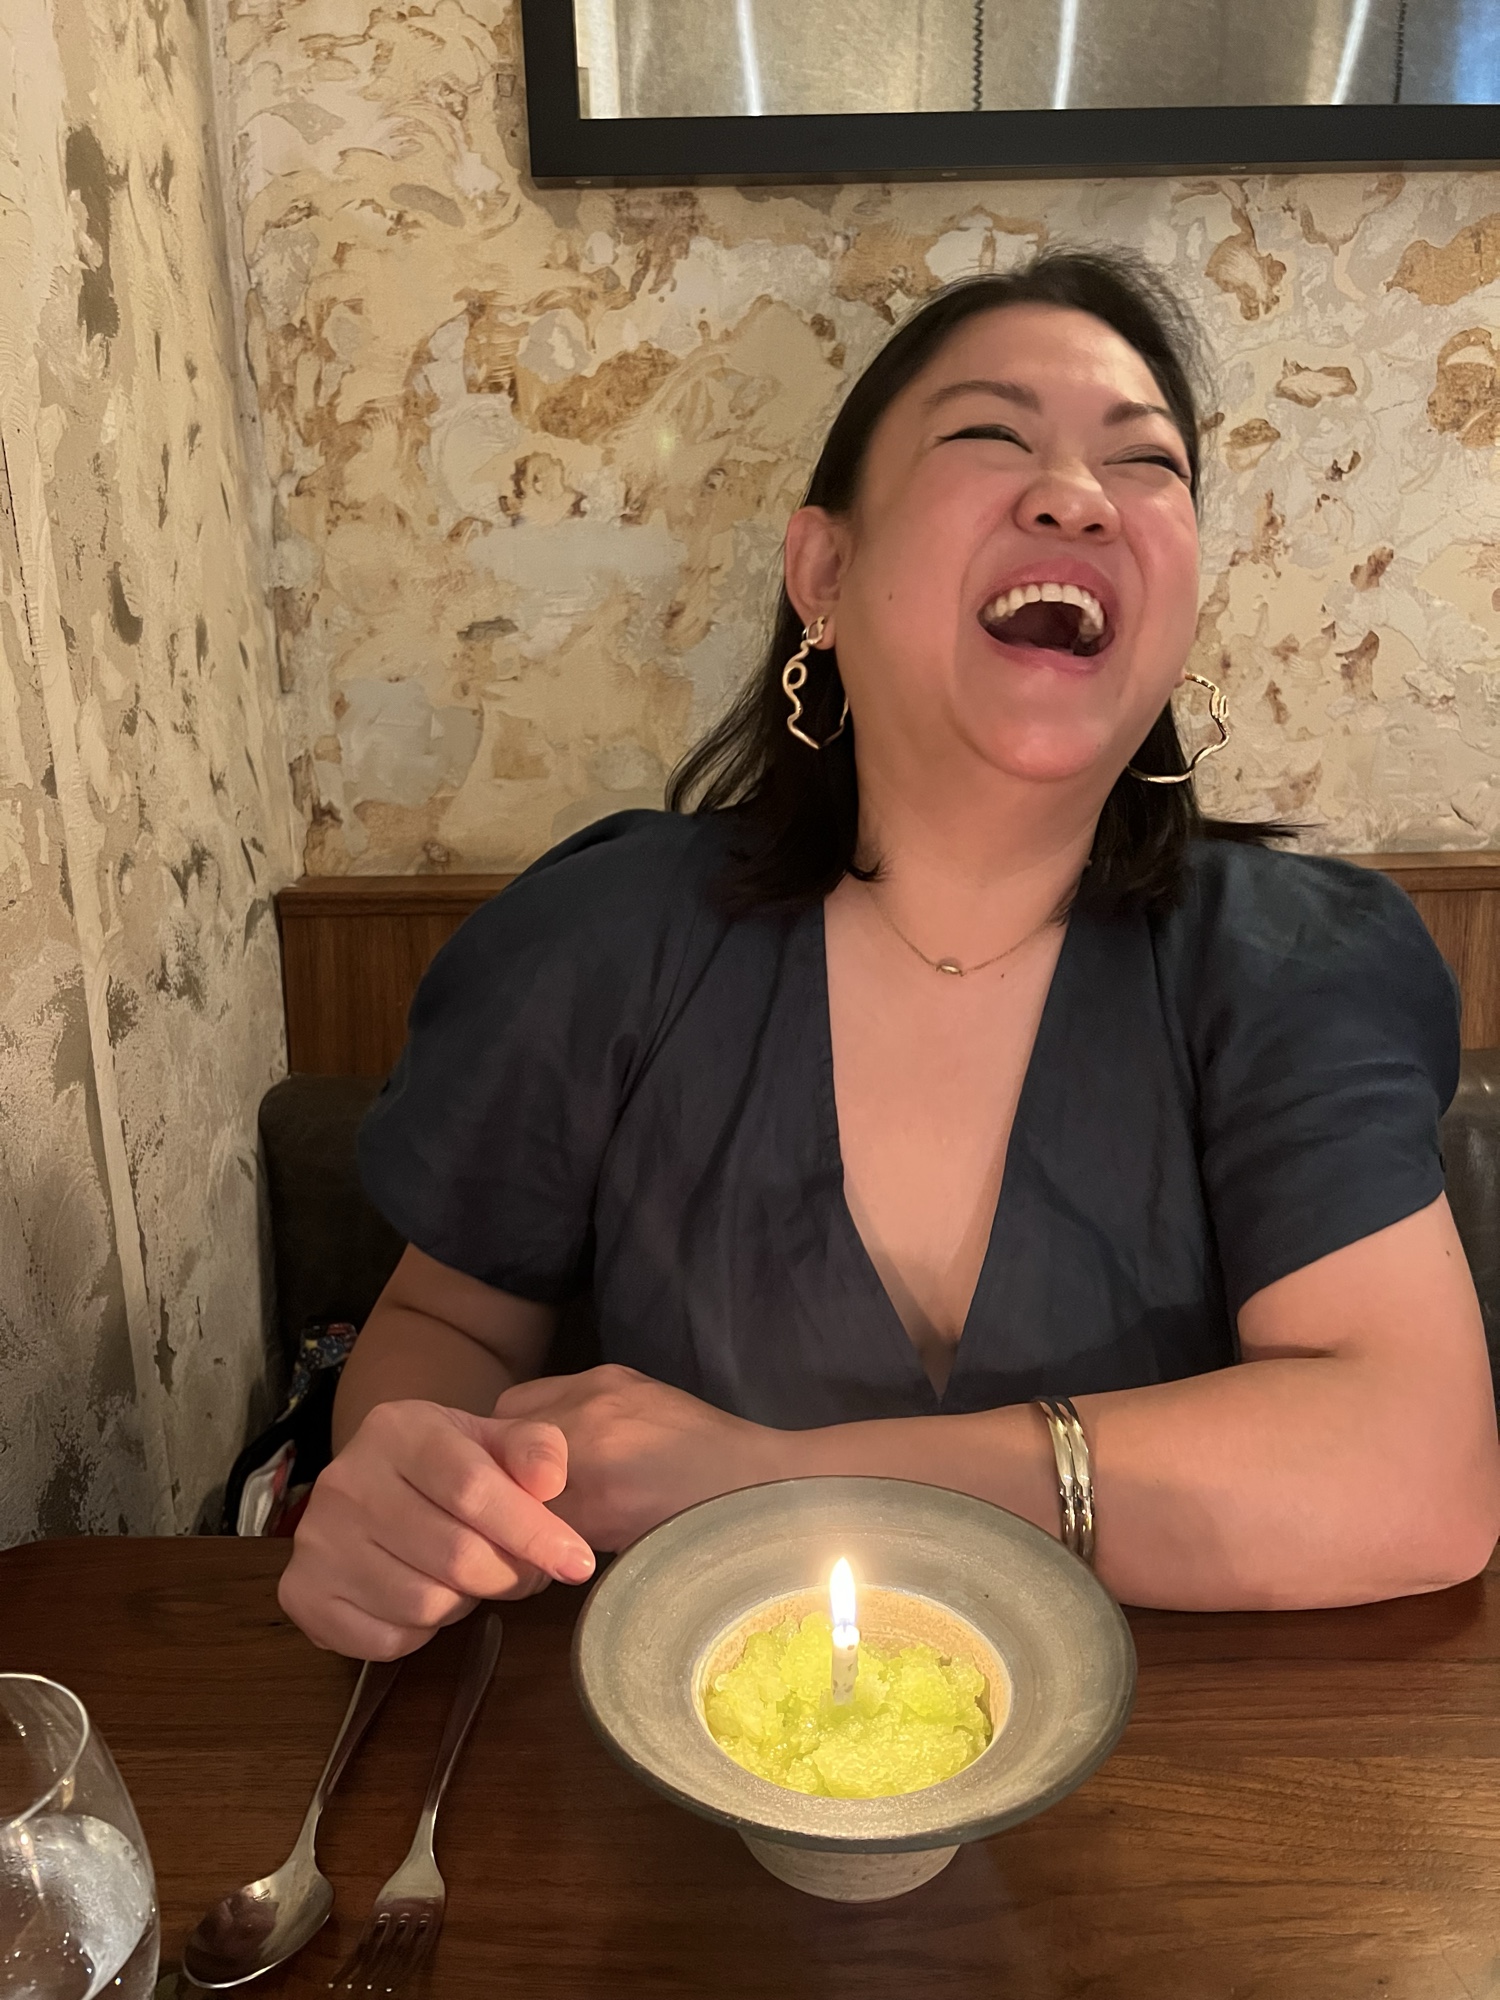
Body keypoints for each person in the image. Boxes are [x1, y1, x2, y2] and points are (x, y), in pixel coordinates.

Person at [278, 250, 1500, 1661]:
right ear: (826, 570)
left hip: (1179, 1772)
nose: (1078, 495)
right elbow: (447, 1332)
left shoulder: (1288, 966)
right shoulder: (605, 940)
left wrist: (763, 1482)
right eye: (991, 434)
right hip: (678, 1746)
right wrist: (419, 1493)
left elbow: (1417, 1472)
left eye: (1146, 462)